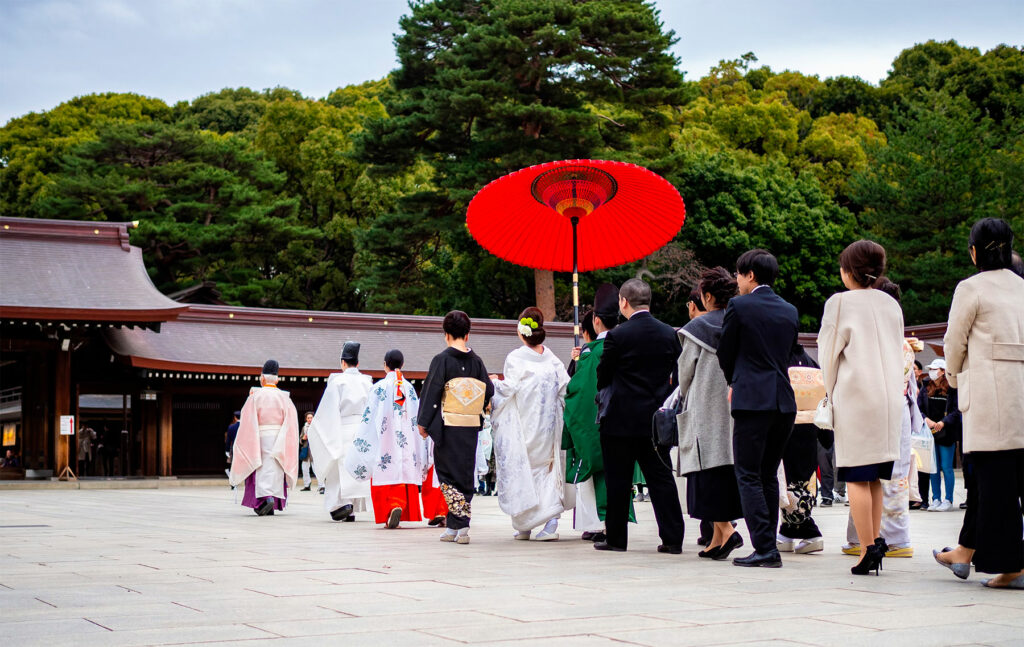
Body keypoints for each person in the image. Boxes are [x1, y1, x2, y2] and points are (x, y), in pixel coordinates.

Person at [937, 218, 1024, 589]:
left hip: (989, 396)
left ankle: (1012, 566)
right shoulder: (1022, 286)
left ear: (974, 251)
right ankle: (966, 549)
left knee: (995, 482)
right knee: (1003, 479)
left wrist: (954, 378)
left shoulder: (970, 288)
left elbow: (953, 343)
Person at [818, 240, 904, 576]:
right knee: (876, 477)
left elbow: (828, 356)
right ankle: (876, 539)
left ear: (848, 271)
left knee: (855, 474)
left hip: (857, 396)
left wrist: (830, 391)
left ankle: (868, 548)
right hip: (889, 400)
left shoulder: (840, 303)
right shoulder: (890, 305)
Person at [717, 249, 800, 568]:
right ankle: (769, 545)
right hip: (783, 400)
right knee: (768, 474)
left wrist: (735, 380)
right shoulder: (789, 310)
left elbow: (726, 351)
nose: (736, 281)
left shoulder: (739, 306)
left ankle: (765, 547)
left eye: (738, 274)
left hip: (752, 399)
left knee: (748, 473)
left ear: (750, 275)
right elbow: (790, 351)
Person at [594, 279, 684, 554]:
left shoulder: (618, 336)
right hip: (656, 420)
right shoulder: (669, 333)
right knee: (661, 479)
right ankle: (672, 538)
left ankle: (617, 538)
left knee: (618, 480)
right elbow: (678, 374)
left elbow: (603, 376)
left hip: (620, 418)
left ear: (623, 302)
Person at [842, 291, 921, 559]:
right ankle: (873, 538)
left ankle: (889, 539)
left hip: (872, 406)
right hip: (895, 408)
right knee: (882, 476)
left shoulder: (880, 343)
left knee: (868, 475)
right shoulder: (900, 344)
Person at [676, 267, 745, 561]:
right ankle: (717, 540)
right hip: (733, 404)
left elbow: (684, 374)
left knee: (706, 470)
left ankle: (726, 531)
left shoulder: (697, 329)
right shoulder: (738, 324)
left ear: (706, 296)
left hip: (705, 407)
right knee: (725, 466)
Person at [491, 307, 571, 540]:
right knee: (546, 470)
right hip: (547, 425)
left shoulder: (516, 358)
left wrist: (494, 383)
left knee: (524, 471)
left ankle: (539, 523)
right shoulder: (551, 358)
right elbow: (567, 387)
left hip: (524, 424)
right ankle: (538, 524)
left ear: (521, 330)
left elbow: (507, 389)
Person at [417, 311, 494, 545]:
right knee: (463, 472)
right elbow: (488, 390)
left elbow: (432, 392)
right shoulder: (477, 361)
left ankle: (460, 525)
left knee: (447, 474)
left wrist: (423, 422)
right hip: (469, 426)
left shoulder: (442, 360)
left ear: (446, 334)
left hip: (449, 426)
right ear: (467, 335)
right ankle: (456, 527)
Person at [563, 286, 630, 543]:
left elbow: (577, 392)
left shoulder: (592, 354)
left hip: (596, 422)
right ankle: (609, 524)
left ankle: (601, 524)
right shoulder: (624, 344)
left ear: (596, 321)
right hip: (625, 420)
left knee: (597, 475)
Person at [345, 349, 431, 529]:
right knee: (403, 467)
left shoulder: (378, 388)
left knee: (384, 468)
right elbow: (417, 417)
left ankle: (392, 507)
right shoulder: (409, 389)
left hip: (385, 438)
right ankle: (400, 505)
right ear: (402, 365)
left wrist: (362, 437)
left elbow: (369, 416)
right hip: (405, 440)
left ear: (385, 365)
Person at [308, 342, 373, 522]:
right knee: (355, 469)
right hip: (362, 431)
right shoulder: (367, 382)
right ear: (357, 363)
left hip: (343, 428)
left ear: (343, 362)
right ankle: (351, 508)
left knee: (338, 470)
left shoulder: (337, 382)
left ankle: (341, 505)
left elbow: (328, 411)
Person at [228, 359, 299, 516]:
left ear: (262, 378)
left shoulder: (255, 396)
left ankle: (264, 500)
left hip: (259, 436)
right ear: (278, 379)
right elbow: (292, 423)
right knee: (277, 468)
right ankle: (273, 499)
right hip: (280, 437)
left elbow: (247, 421)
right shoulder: (285, 398)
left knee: (259, 466)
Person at [777, 345, 825, 555]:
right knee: (804, 480)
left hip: (786, 424)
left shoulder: (779, 358)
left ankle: (809, 531)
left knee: (788, 479)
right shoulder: (811, 362)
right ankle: (787, 531)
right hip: (809, 428)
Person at [918, 359, 960, 511]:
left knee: (946, 467)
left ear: (943, 371)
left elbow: (956, 410)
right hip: (930, 433)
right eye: (930, 369)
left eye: (935, 369)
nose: (931, 371)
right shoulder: (925, 386)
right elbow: (919, 408)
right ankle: (935, 498)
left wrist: (944, 422)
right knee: (933, 468)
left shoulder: (952, 387)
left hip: (946, 432)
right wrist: (926, 420)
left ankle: (948, 499)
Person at [299, 412, 314, 491]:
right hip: (306, 450)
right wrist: (303, 439)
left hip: (314, 451)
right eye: (308, 418)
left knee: (316, 468)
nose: (310, 419)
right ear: (306, 419)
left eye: (311, 417)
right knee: (304, 468)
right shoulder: (304, 428)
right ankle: (307, 485)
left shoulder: (316, 427)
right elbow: (300, 439)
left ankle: (322, 486)